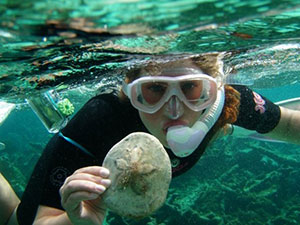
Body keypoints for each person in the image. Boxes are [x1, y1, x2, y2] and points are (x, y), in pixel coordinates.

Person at [16, 53, 300, 225]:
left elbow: (290, 124)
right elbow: (40, 220)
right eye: (154, 90)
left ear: (213, 90)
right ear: (130, 93)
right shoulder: (100, 121)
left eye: (190, 88)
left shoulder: (235, 103)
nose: (173, 110)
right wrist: (75, 221)